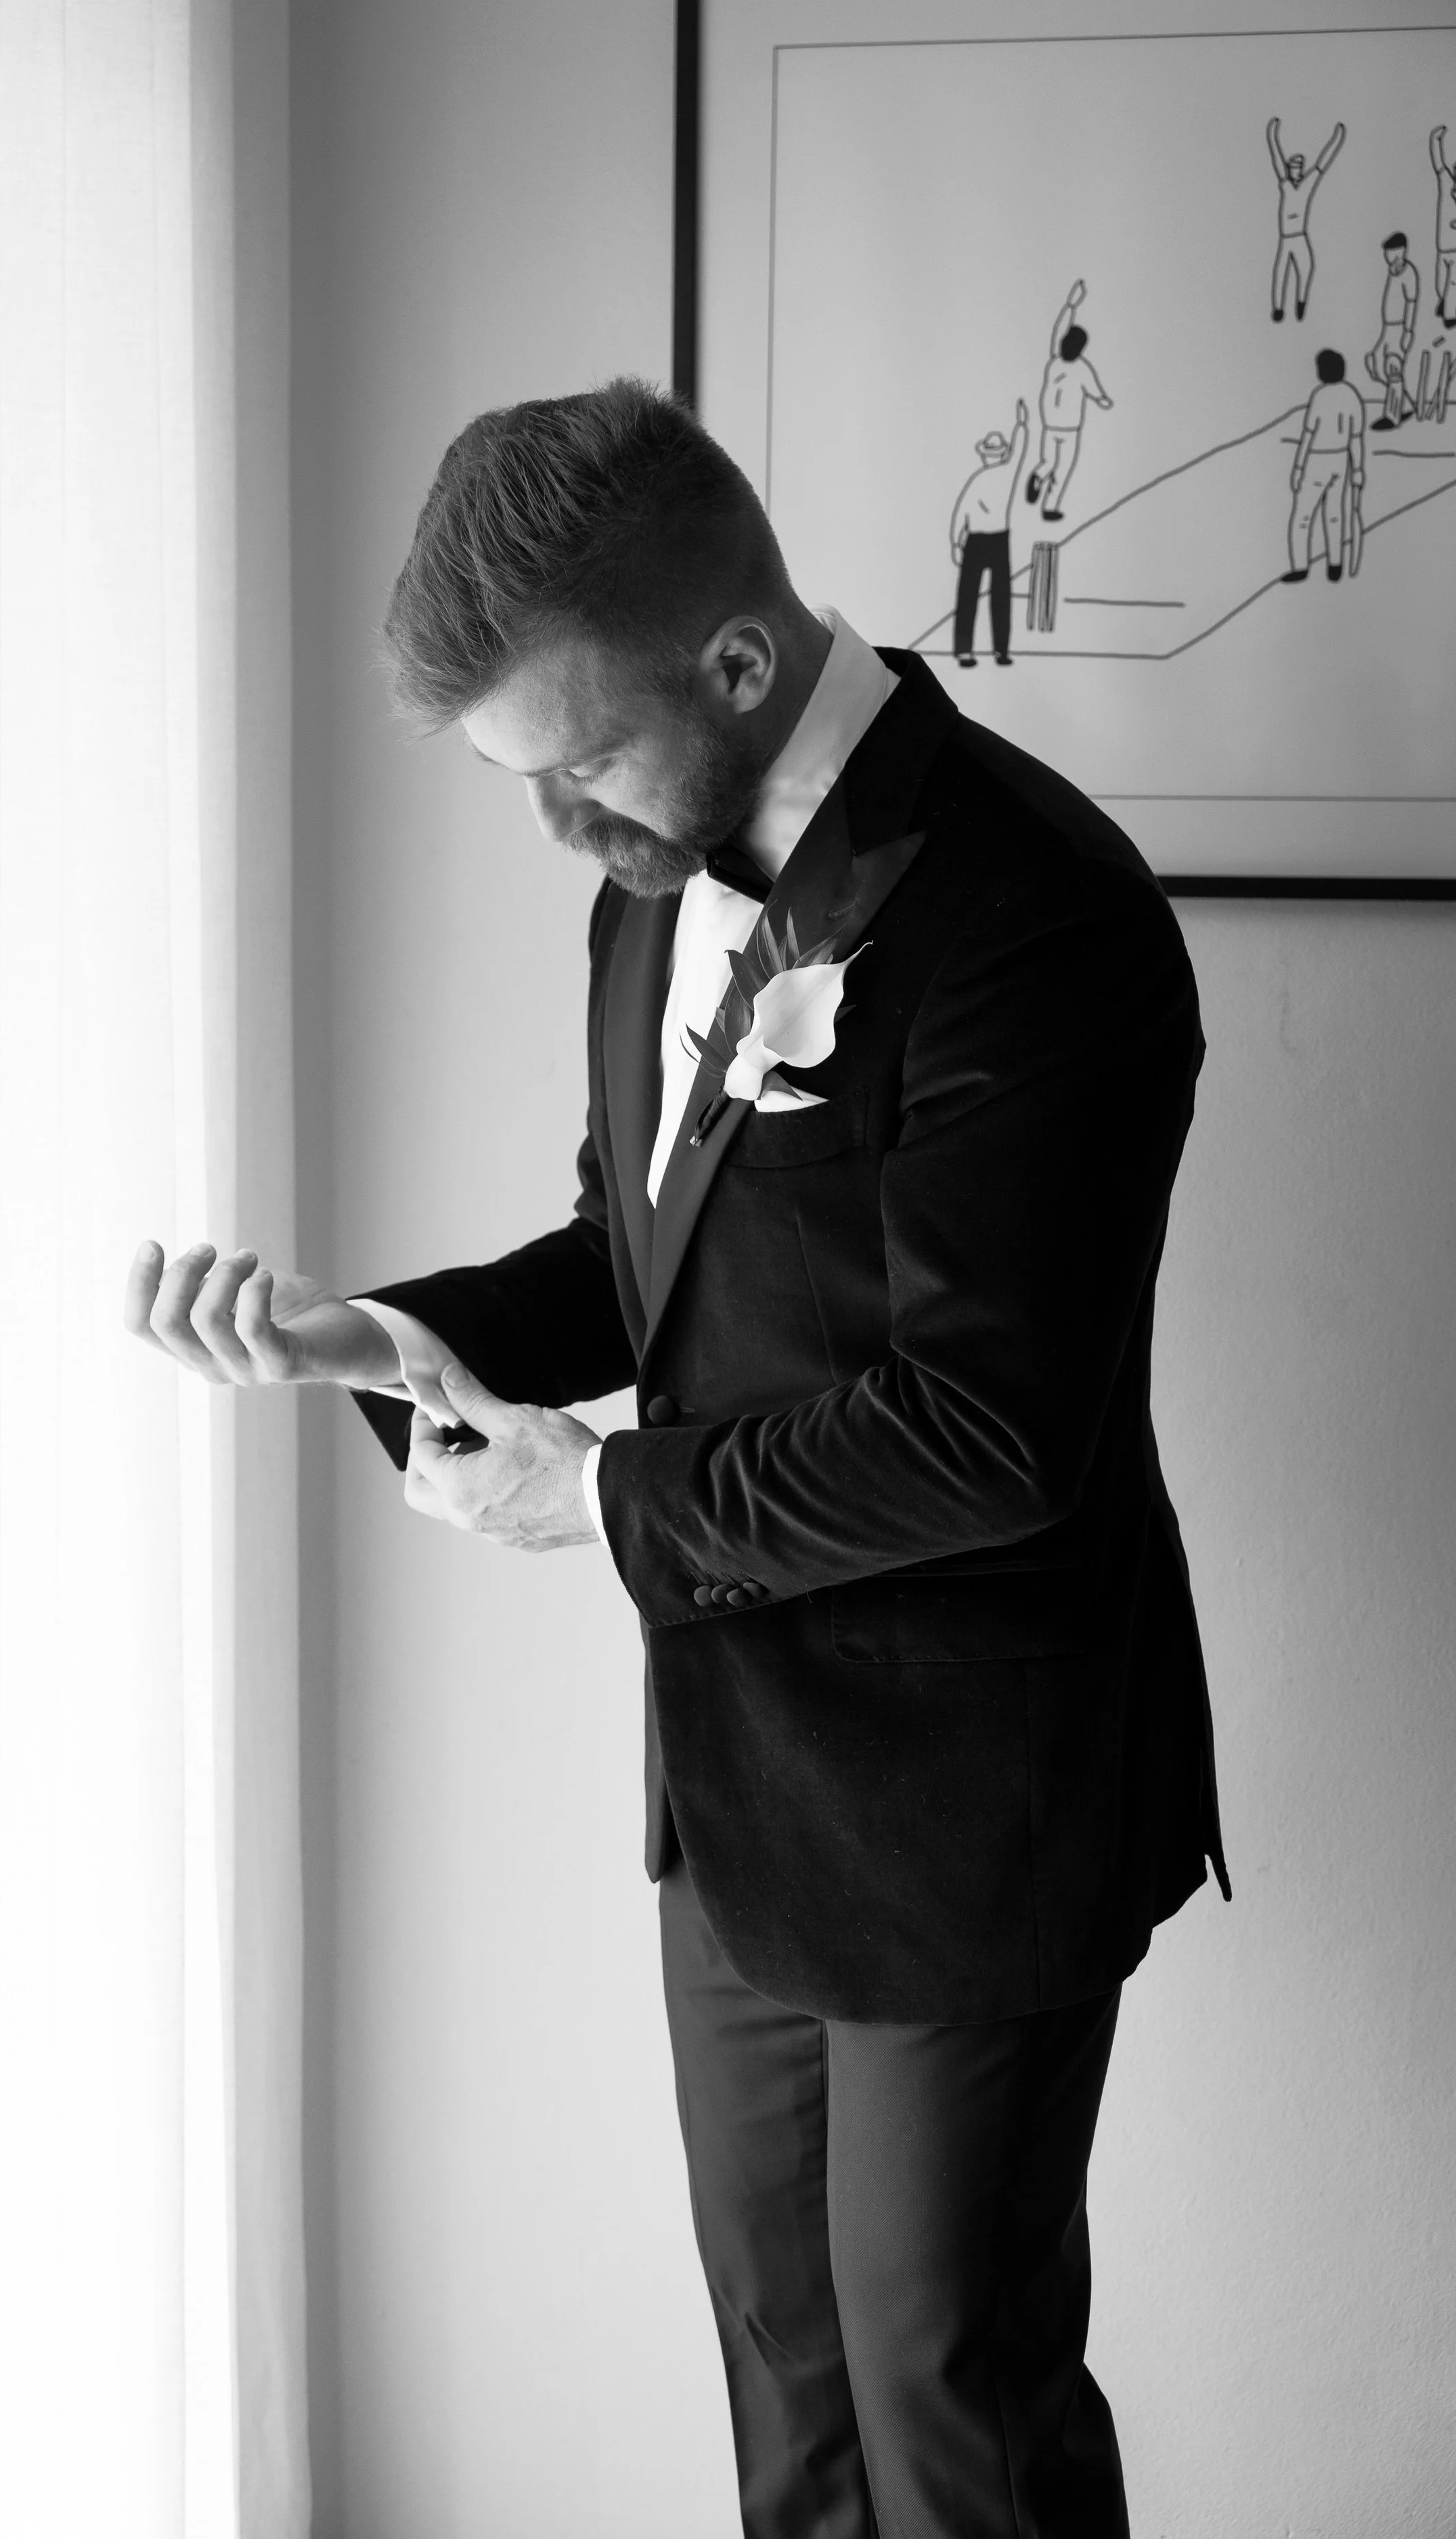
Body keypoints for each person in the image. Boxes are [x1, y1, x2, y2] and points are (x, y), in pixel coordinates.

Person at [127, 381, 1229, 2539]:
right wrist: (372, 1335)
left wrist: (598, 1502)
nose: (563, 833)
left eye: (579, 766)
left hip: (964, 1803)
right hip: (732, 1800)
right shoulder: (648, 879)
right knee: (790, 2414)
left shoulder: (1040, 917)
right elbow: (636, 1264)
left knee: (950, 2423)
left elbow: (991, 1429)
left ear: (733, 662)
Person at [948, 397, 1028, 666]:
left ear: (985, 455)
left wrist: (956, 544)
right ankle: (1001, 651)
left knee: (968, 596)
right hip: (997, 539)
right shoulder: (1007, 474)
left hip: (977, 540)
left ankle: (964, 651)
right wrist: (1021, 424)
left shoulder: (977, 480)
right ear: (1002, 455)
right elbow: (1021, 450)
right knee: (1000, 597)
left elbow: (961, 516)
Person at [1025, 278, 1112, 521]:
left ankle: (1039, 476)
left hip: (1051, 424)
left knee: (1048, 461)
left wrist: (1071, 305)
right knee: (1062, 468)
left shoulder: (1055, 360)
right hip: (1069, 428)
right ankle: (1049, 506)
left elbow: (1059, 328)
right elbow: (1096, 393)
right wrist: (1103, 400)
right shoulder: (1082, 368)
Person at [1284, 347, 1367, 582]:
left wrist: (1298, 468)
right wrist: (1358, 469)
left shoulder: (1320, 396)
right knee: (1334, 514)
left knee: (1303, 516)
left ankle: (1301, 567)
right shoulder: (1352, 395)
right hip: (1341, 460)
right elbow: (1356, 438)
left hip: (1318, 459)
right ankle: (1335, 565)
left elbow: (1308, 435)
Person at [1266, 116, 1345, 320]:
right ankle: (1278, 309)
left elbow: (1322, 164)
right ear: (1289, 169)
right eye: (1293, 168)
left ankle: (1301, 303)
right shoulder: (1285, 184)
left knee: (1306, 268)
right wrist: (1272, 135)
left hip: (1300, 236)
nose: (1296, 171)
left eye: (1299, 168)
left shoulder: (1307, 184)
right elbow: (1276, 158)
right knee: (1280, 272)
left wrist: (1337, 138)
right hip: (1286, 238)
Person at [1365, 232, 1419, 431]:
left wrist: (1408, 332)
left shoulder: (1409, 273)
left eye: (1392, 253)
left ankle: (1393, 416)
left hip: (1400, 328)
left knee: (1393, 368)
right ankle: (1405, 405)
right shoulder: (1392, 270)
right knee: (1375, 363)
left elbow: (1412, 304)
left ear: (1402, 251)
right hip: (1387, 327)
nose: (1389, 258)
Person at [1431, 125, 1456, 326]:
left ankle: (1450, 316)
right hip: (1443, 247)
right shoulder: (1447, 183)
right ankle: (1444, 304)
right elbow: (1439, 166)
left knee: (1453, 283)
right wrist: (1436, 140)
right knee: (1441, 284)